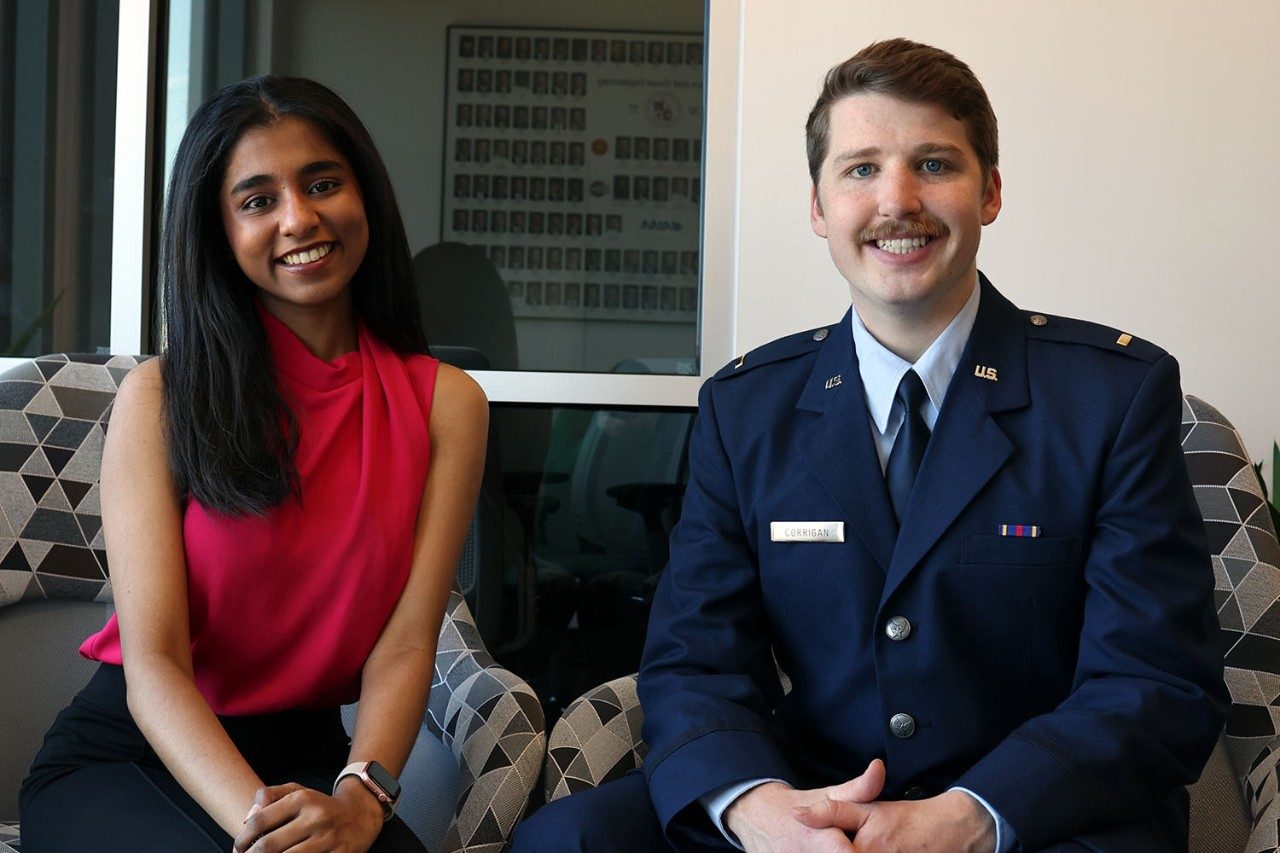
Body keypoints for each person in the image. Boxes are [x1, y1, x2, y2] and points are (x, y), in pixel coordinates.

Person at [513, 38, 1228, 852]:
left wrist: (965, 817)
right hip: (810, 798)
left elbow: (1155, 679)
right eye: (860, 169)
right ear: (818, 208)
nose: (897, 201)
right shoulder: (746, 408)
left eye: (934, 164)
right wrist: (759, 809)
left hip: (1035, 816)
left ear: (989, 192)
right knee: (567, 839)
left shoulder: (1112, 396)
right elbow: (696, 660)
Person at [19, 76, 488, 852]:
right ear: (220, 232)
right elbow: (155, 663)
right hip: (136, 757)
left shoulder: (449, 406)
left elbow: (407, 644)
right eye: (257, 200)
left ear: (363, 193)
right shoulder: (163, 398)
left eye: (323, 183)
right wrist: (268, 833)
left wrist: (362, 800)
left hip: (312, 764)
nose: (300, 218)